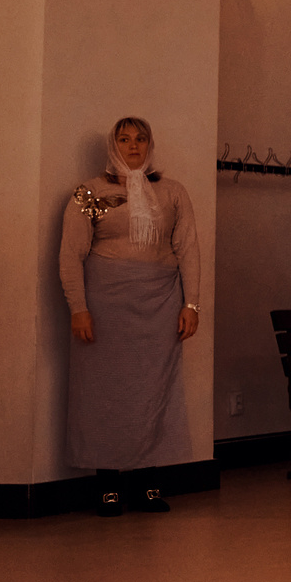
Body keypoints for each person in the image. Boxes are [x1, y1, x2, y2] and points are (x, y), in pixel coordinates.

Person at [59, 117, 201, 516]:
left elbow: (188, 247)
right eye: (124, 139)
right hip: (105, 305)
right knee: (103, 391)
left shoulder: (172, 192)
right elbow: (71, 253)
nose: (133, 146)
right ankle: (107, 484)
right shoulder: (90, 191)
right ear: (112, 145)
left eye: (140, 139)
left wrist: (192, 304)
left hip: (159, 303)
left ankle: (147, 485)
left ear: (150, 145)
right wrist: (79, 308)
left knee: (153, 389)